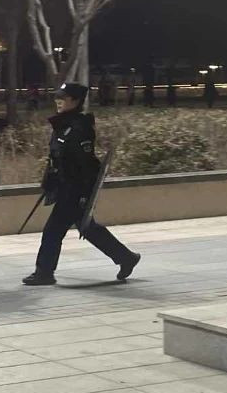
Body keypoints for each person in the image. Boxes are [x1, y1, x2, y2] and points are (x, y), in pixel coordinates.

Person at [23, 82, 141, 286]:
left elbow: (86, 165)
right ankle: (126, 257)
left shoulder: (79, 128)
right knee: (88, 228)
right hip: (65, 187)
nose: (58, 101)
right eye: (57, 97)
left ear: (76, 101)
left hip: (74, 190)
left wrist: (85, 195)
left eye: (64, 98)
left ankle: (44, 273)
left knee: (53, 231)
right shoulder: (63, 124)